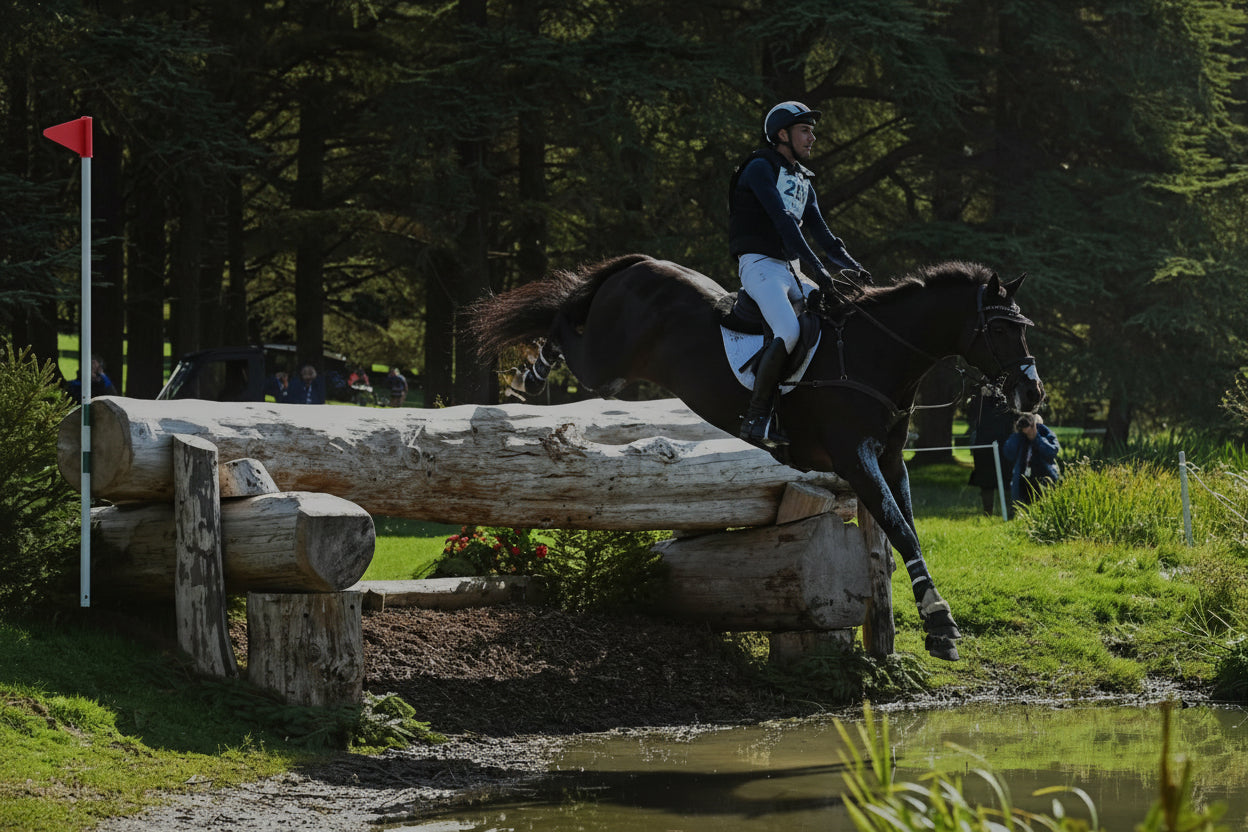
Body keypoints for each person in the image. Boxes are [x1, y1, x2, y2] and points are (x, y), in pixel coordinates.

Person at [728, 100, 870, 448]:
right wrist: (820, 272)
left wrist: (853, 267)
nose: (812, 138)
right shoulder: (759, 167)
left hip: (790, 269)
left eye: (812, 131)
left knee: (835, 316)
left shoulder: (801, 179)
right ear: (782, 134)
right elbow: (783, 223)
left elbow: (824, 236)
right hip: (760, 265)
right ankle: (757, 415)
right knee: (789, 330)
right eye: (805, 131)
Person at [967, 392, 1015, 515]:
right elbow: (972, 414)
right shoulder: (982, 393)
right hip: (984, 440)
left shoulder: (1009, 390)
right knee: (986, 480)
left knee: (1008, 478)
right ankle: (987, 512)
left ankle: (1011, 511)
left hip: (1005, 440)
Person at [1003, 412, 1060, 511]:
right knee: (1022, 510)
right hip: (1023, 480)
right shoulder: (1020, 437)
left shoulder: (1046, 434)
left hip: (1044, 478)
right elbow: (1008, 453)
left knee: (1044, 509)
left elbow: (1051, 452)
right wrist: (1017, 433)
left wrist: (1036, 438)